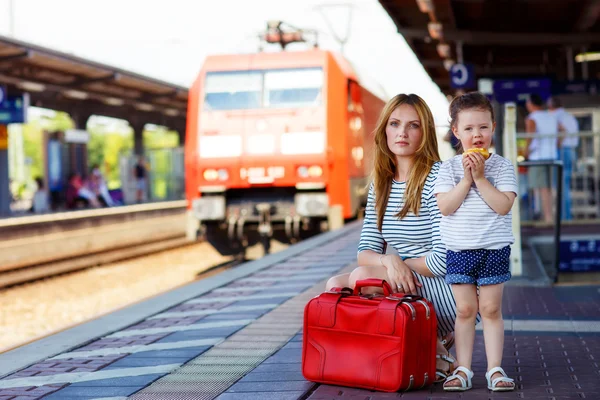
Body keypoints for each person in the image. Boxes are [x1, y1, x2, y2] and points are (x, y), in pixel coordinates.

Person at [325, 93, 461, 383]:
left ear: (424, 133)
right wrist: (390, 260)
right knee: (335, 285)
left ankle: (437, 344)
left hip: (449, 287)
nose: (402, 132)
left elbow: (443, 259)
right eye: (395, 123)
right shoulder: (381, 183)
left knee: (362, 276)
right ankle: (368, 358)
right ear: (384, 129)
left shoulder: (438, 177)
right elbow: (366, 250)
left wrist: (401, 264)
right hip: (410, 280)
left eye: (413, 125)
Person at [435, 92, 517, 392]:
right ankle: (463, 369)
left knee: (492, 309)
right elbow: (446, 207)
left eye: (483, 127)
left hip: (494, 249)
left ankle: (495, 369)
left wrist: (481, 178)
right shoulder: (447, 169)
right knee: (466, 310)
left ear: (493, 127)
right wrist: (467, 179)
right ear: (456, 131)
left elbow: (503, 206)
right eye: (468, 128)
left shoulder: (503, 166)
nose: (477, 134)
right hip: (458, 249)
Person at [525, 94, 558, 223]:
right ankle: (552, 215)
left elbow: (530, 136)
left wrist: (526, 151)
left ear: (531, 104)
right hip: (552, 155)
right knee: (551, 187)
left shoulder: (532, 118)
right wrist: (557, 145)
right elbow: (562, 131)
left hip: (538, 156)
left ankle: (548, 217)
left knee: (542, 188)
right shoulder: (551, 116)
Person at [548, 97, 579, 220]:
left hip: (562, 151)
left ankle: (565, 218)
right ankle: (567, 216)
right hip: (571, 151)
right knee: (565, 185)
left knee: (561, 187)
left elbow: (562, 131)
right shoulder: (569, 116)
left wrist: (557, 144)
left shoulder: (555, 116)